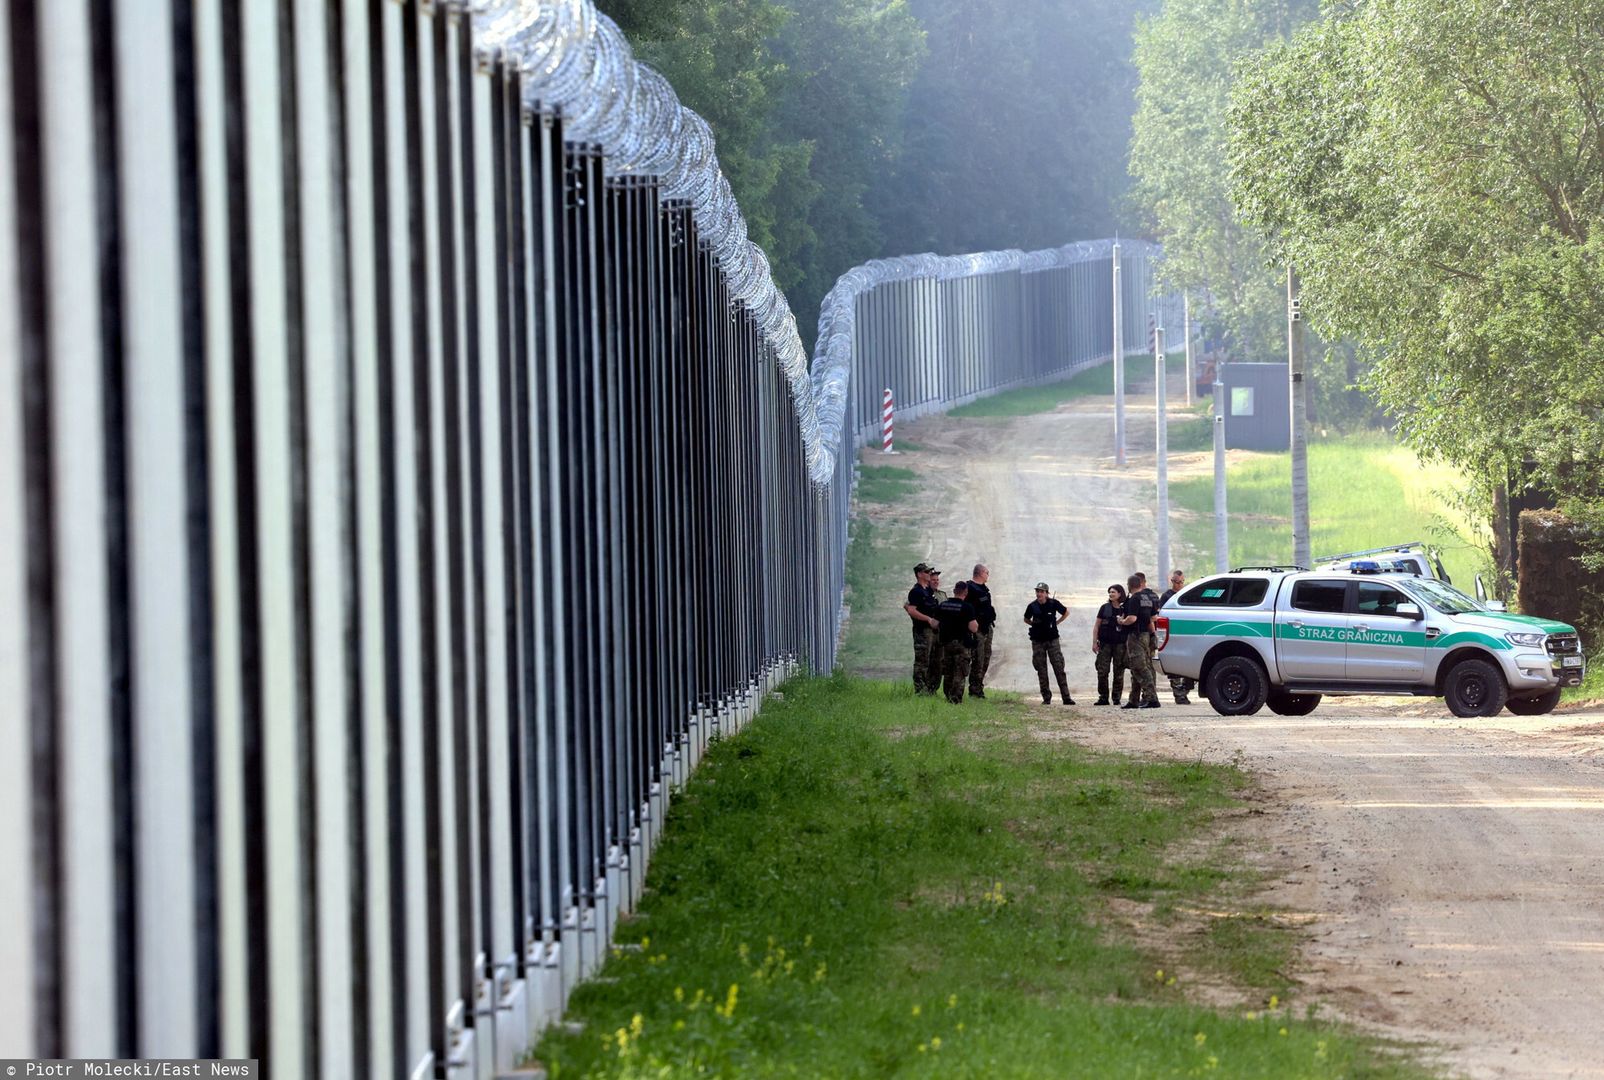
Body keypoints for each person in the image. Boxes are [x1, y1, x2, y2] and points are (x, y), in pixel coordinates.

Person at [1023, 583, 1075, 705]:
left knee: (1059, 668)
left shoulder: (1053, 603)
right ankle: (1046, 697)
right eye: (1037, 591)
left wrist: (1057, 622)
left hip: (1052, 640)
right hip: (1038, 641)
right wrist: (1035, 625)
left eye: (1042, 591)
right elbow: (1026, 619)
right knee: (1041, 669)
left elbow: (1066, 612)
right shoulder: (1032, 606)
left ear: (1047, 593)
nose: (1039, 594)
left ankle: (1066, 697)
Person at [936, 581, 981, 704]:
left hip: (947, 644)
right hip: (962, 644)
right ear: (965, 592)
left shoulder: (943, 605)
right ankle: (955, 699)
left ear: (954, 591)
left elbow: (935, 623)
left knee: (948, 671)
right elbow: (973, 628)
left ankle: (948, 696)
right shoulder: (967, 607)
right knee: (960, 671)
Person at [1119, 573, 1159, 708]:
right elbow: (1153, 617)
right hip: (1146, 635)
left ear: (1129, 586)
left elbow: (1132, 618)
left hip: (1135, 635)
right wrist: (1153, 635)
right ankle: (1133, 700)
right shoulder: (1147, 598)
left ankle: (1152, 698)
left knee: (1139, 667)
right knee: (1139, 666)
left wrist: (1122, 621)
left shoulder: (1134, 599)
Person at [903, 563, 941, 694]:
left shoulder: (928, 591)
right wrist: (928, 619)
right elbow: (911, 610)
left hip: (934, 631)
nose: (929, 574)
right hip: (923, 631)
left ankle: (931, 688)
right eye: (926, 572)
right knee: (922, 661)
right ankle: (920, 689)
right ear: (919, 574)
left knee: (935, 660)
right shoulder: (916, 591)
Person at [1158, 569, 1195, 704]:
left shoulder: (1187, 595)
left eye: (1180, 582)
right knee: (1175, 668)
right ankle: (1179, 694)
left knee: (1189, 666)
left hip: (1187, 633)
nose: (1178, 584)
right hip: (1172, 633)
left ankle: (1183, 691)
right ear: (1171, 581)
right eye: (1175, 582)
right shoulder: (1167, 596)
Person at [1092, 583, 1128, 706]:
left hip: (1120, 644)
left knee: (1119, 671)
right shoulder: (1104, 608)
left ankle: (1116, 697)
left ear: (1120, 594)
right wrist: (1094, 642)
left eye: (1114, 592)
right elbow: (1097, 626)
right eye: (1110, 592)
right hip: (1105, 644)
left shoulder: (1126, 609)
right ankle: (1103, 697)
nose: (1111, 594)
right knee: (1102, 671)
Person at [967, 564, 997, 699]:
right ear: (980, 573)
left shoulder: (983, 589)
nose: (988, 575)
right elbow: (967, 609)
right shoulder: (970, 588)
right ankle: (974, 689)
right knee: (977, 659)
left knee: (985, 658)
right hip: (977, 630)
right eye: (987, 573)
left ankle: (979, 687)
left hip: (986, 628)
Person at [925, 568, 948, 691]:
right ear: (928, 581)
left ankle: (933, 688)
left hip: (941, 633)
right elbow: (908, 606)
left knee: (939, 661)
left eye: (937, 580)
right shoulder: (922, 592)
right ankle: (924, 688)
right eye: (933, 580)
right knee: (927, 660)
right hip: (927, 631)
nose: (936, 582)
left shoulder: (942, 595)